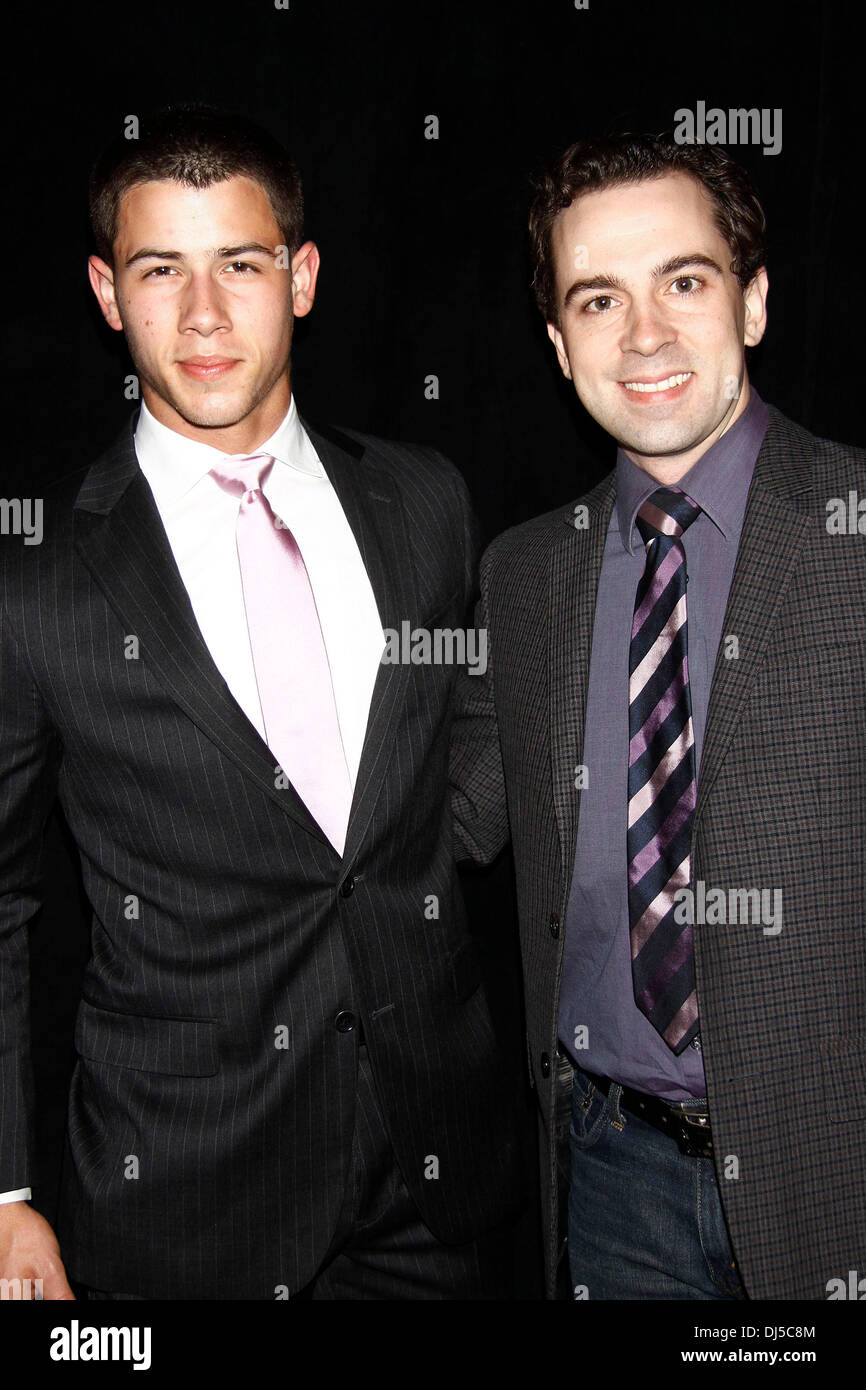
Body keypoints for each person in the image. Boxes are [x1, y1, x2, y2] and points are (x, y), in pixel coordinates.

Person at [0, 102, 523, 1300]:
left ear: (301, 276)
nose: (199, 315)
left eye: (237, 264)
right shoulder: (33, 574)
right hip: (183, 1195)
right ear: (102, 290)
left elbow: (470, 725)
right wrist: (4, 1192)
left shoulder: (423, 497)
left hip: (433, 1180)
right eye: (157, 270)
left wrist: (423, 857)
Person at [450, 132, 866, 1300]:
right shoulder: (524, 576)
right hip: (609, 1172)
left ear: (753, 303)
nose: (641, 334)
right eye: (597, 298)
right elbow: (436, 815)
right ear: (554, 344)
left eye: (682, 281)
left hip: (839, 1174)